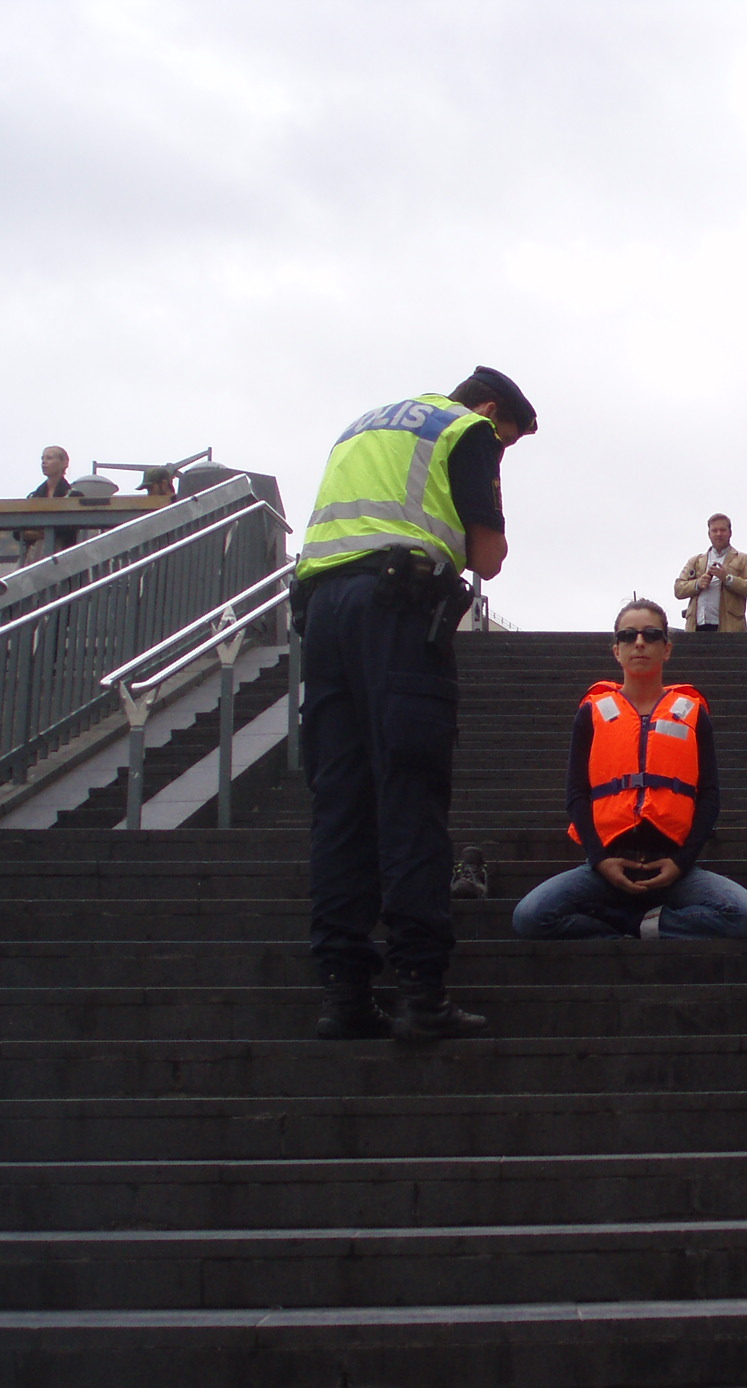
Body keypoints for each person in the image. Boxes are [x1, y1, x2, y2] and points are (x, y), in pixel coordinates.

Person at [292, 366, 536, 1041]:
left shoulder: (362, 427)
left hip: (323, 617)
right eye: (509, 439)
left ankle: (342, 995)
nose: (503, 448)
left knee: (340, 805)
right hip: (397, 616)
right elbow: (487, 558)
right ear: (490, 409)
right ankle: (421, 994)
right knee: (411, 797)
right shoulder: (468, 430)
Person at [513, 600, 747, 941]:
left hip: (673, 868)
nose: (640, 643)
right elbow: (576, 795)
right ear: (616, 650)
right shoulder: (592, 713)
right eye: (629, 635)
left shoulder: (692, 713)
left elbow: (709, 797)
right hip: (606, 867)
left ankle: (633, 925)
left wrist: (680, 863)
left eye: (651, 635)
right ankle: (640, 926)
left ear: (667, 649)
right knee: (530, 916)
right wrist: (600, 860)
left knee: (745, 914)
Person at [673, 515, 747, 631]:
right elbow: (678, 589)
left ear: (730, 532)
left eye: (723, 530)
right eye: (714, 530)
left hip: (729, 629)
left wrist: (727, 579)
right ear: (709, 534)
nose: (719, 534)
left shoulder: (744, 559)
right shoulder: (695, 561)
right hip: (697, 628)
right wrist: (697, 584)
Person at [16, 445, 74, 565]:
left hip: (62, 559)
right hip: (33, 558)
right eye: (42, 459)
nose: (44, 462)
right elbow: (18, 532)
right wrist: (47, 532)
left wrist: (36, 532)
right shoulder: (33, 496)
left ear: (64, 463)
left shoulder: (73, 496)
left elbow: (68, 530)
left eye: (49, 458)